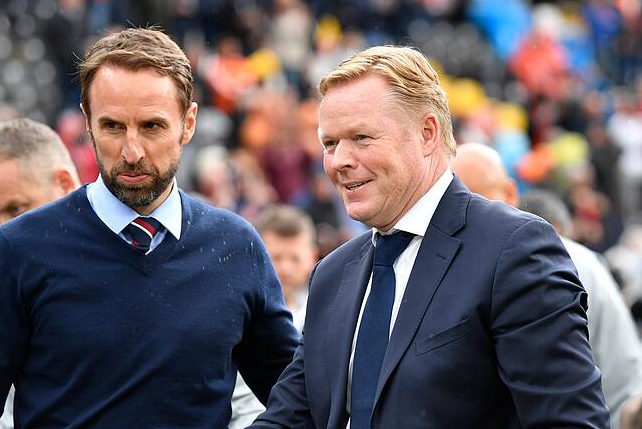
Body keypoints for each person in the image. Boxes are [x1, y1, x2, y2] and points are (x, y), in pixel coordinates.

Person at [0, 27, 299, 427]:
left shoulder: (235, 245)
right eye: (113, 127)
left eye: (152, 126)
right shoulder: (16, 251)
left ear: (188, 123)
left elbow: (297, 400)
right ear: (86, 122)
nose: (132, 151)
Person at [252, 45, 609, 428]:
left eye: (361, 137)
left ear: (427, 134)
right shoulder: (331, 275)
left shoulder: (513, 248)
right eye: (330, 143)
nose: (339, 160)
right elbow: (288, 419)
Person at [452, 142, 642, 429]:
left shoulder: (576, 262)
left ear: (511, 192)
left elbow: (622, 380)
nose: (470, 212)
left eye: (480, 197)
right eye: (458, 201)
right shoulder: (432, 267)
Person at [231, 205, 318, 428]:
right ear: (258, 253)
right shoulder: (236, 312)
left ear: (312, 256)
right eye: (276, 258)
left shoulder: (328, 312)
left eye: (295, 258)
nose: (285, 269)